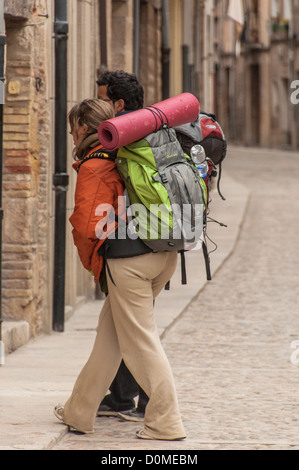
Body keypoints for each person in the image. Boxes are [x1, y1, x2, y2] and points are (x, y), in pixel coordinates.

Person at [53, 97, 185, 440]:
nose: (71, 134)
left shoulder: (96, 164)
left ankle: (166, 421)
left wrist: (97, 267)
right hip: (163, 254)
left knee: (140, 341)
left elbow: (86, 226)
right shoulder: (128, 152)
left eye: (72, 128)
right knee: (110, 338)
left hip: (129, 262)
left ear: (83, 128)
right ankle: (78, 411)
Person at [96, 70, 149, 422]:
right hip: (158, 238)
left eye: (101, 99)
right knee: (125, 324)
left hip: (133, 245)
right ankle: (121, 396)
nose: (97, 105)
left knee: (137, 328)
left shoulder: (121, 138)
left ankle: (149, 399)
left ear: (117, 104)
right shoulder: (150, 132)